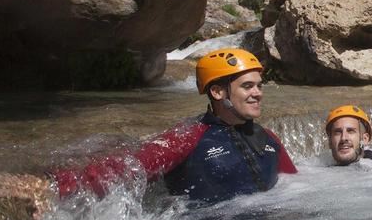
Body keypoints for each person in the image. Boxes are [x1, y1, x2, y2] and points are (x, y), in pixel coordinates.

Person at [52, 48, 297, 203]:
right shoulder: (188, 137)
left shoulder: (268, 138)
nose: (258, 93)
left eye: (259, 85)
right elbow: (127, 169)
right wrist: (53, 186)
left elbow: (298, 185)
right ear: (218, 91)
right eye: (247, 86)